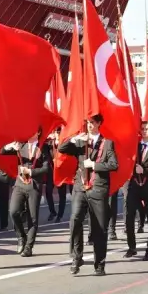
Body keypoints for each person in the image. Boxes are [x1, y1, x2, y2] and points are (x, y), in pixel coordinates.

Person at [58, 114, 118, 276]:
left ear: (99, 123)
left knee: (99, 228)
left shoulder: (107, 143)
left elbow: (114, 165)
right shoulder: (80, 142)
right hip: (80, 187)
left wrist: (94, 165)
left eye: (92, 122)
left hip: (98, 188)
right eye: (88, 122)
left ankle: (99, 264)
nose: (90, 125)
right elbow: (61, 148)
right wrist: (75, 139)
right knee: (75, 219)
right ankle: (76, 257)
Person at [1, 128, 52, 257]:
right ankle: (21, 236)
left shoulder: (43, 147)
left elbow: (46, 168)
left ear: (38, 132)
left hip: (34, 185)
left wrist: (31, 172)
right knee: (13, 211)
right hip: (20, 184)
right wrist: (9, 146)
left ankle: (29, 247)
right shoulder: (21, 145)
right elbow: (2, 151)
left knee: (32, 218)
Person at [124, 121, 148, 260]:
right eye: (142, 129)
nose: (144, 131)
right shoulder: (135, 146)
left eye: (147, 129)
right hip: (134, 185)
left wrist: (145, 171)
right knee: (129, 215)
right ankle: (132, 247)